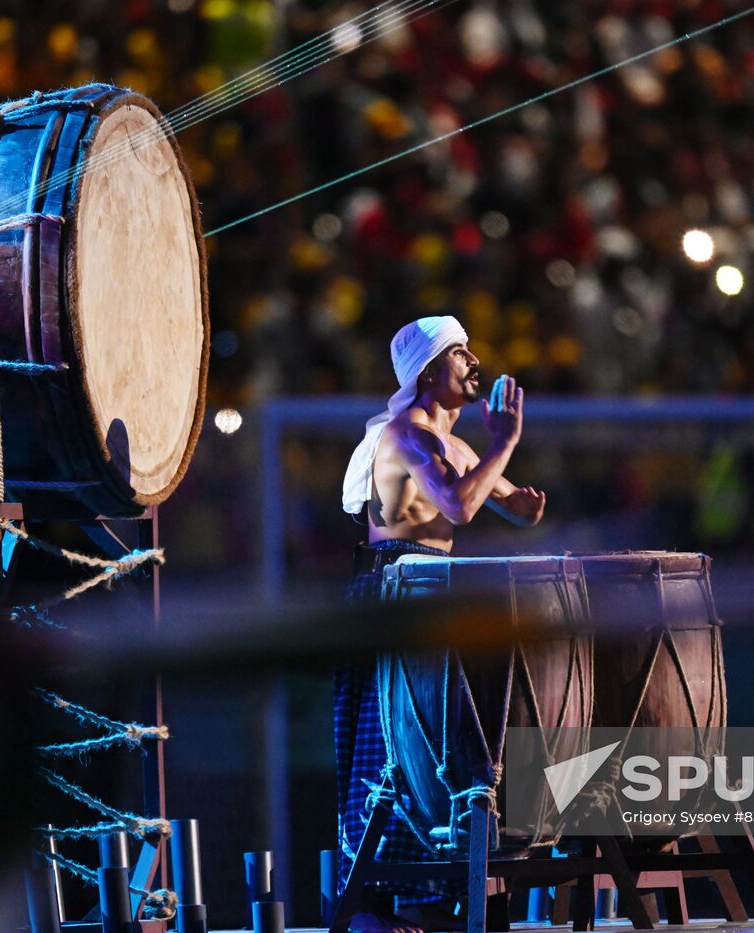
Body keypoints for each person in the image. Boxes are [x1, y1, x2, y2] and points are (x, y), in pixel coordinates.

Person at [335, 315, 546, 933]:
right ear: (428, 372)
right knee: (391, 748)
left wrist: (524, 504)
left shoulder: (456, 448)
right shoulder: (407, 433)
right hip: (394, 590)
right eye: (460, 352)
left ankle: (428, 892)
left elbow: (507, 507)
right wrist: (505, 441)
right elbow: (458, 504)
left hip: (432, 590)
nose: (474, 361)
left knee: (436, 748)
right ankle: (378, 902)